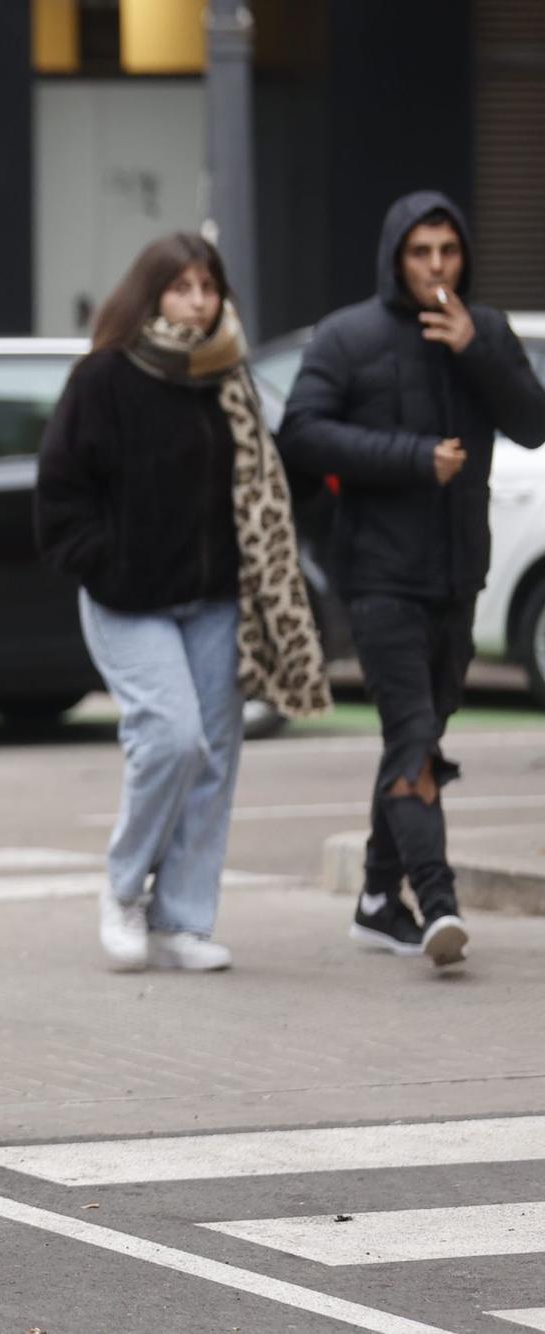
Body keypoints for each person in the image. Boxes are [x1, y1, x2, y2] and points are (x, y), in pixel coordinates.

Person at [36, 233, 329, 973]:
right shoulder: (106, 376)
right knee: (172, 738)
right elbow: (61, 494)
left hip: (214, 601)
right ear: (151, 295)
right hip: (128, 598)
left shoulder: (227, 376)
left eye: (208, 287)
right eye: (182, 288)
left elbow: (258, 486)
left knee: (216, 757)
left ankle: (183, 920)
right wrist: (106, 563)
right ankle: (124, 889)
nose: (198, 302)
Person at [279, 191, 545, 967]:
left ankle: (372, 901)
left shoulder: (485, 330)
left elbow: (533, 423)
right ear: (397, 255)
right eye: (421, 253)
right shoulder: (349, 334)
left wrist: (478, 350)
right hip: (380, 577)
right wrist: (410, 456)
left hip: (461, 574)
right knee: (412, 740)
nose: (436, 267)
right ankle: (436, 905)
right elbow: (302, 431)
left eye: (448, 252)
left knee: (416, 738)